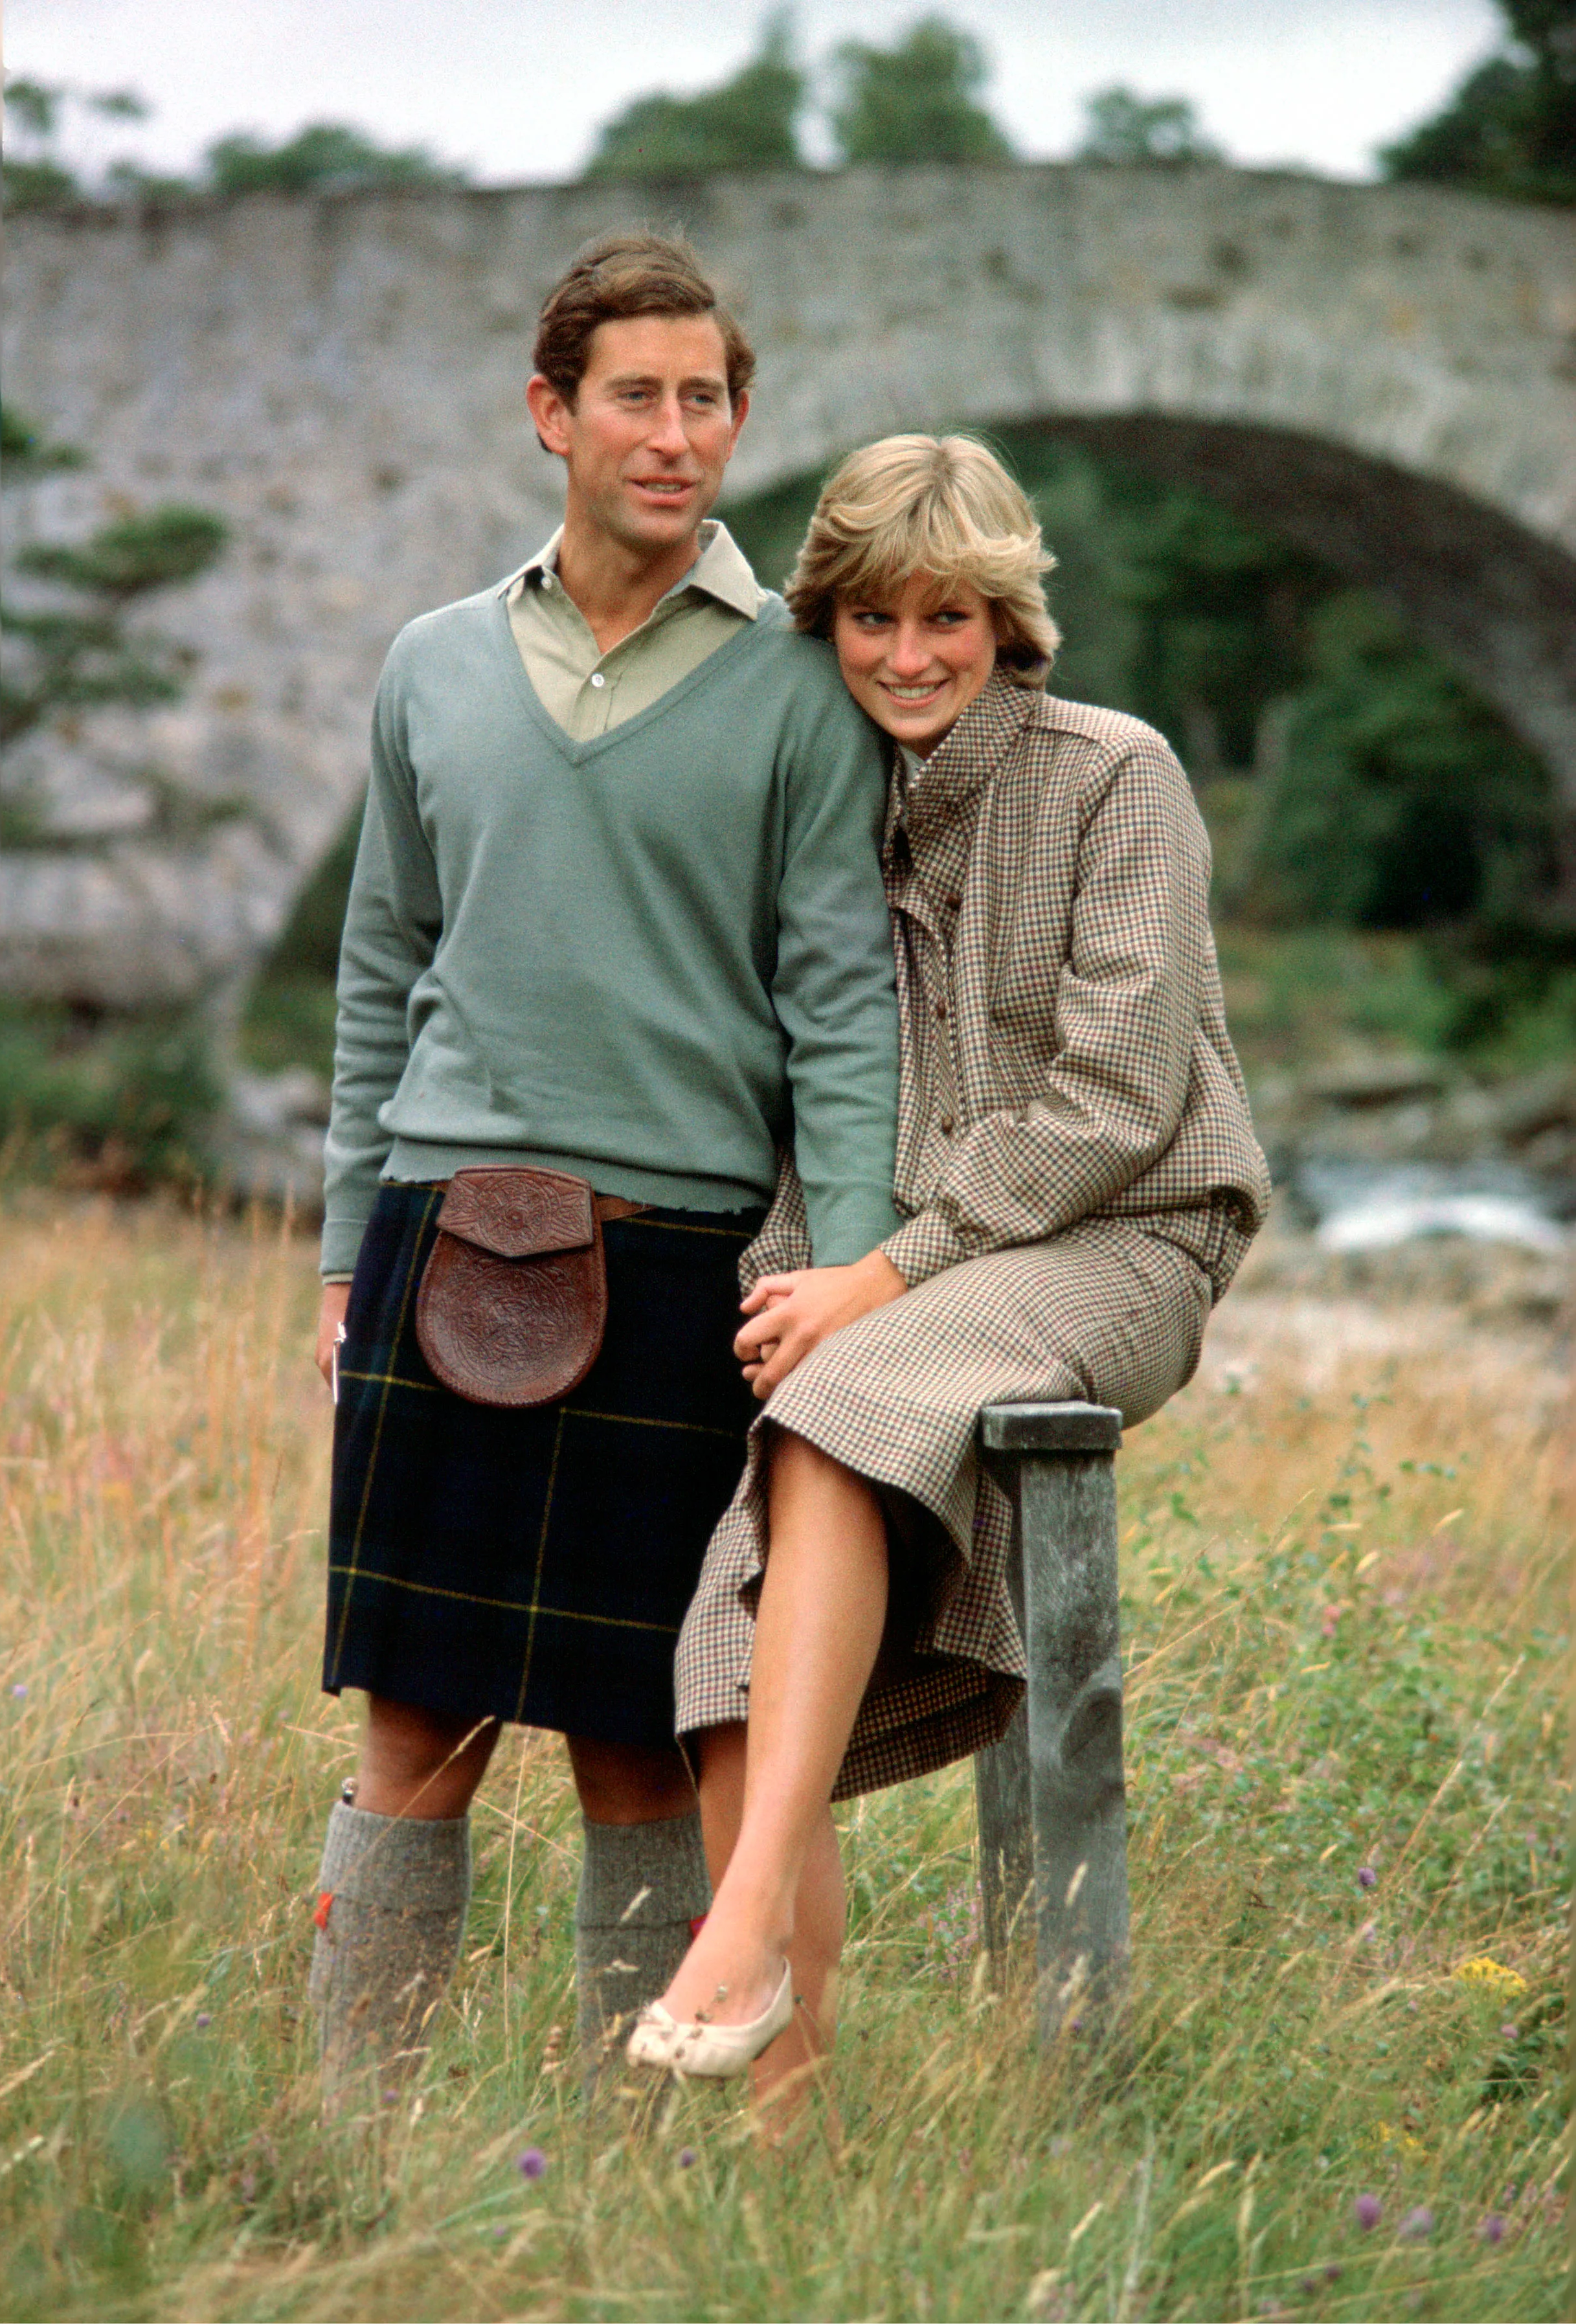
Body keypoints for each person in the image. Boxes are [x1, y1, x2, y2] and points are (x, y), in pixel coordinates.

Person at [306, 234, 903, 2108]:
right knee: (413, 1727)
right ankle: (353, 2134)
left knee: (643, 1737)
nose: (672, 433)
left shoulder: (802, 686)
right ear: (550, 415)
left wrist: (852, 1279)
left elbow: (843, 1006)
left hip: (678, 1265)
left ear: (739, 420)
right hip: (438, 1236)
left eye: (704, 399)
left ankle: (625, 2150)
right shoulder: (431, 665)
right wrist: (339, 1254)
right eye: (633, 396)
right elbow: (380, 967)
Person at [631, 434, 1271, 2103]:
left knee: (845, 1395)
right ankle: (786, 2134)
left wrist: (887, 1272)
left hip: (1128, 1237)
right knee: (724, 1642)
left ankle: (740, 1921)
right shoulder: (819, 797)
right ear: (826, 626)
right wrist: (811, 1271)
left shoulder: (1115, 774)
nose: (909, 656)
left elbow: (1117, 1097)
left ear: (1007, 623)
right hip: (901, 1286)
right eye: (872, 620)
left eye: (950, 619)